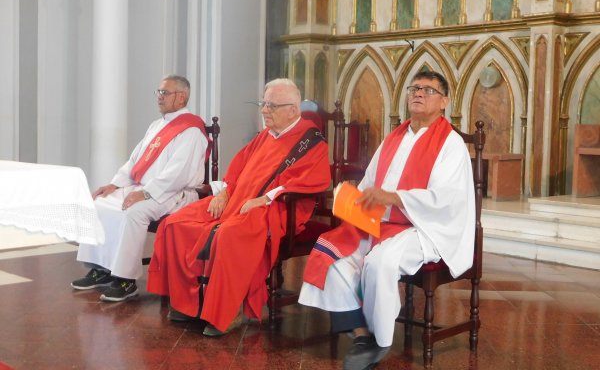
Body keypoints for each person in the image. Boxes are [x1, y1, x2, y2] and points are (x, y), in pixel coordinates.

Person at [298, 71, 475, 370]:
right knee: (333, 256)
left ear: (444, 102)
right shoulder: (395, 136)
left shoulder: (451, 144)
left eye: (428, 90)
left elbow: (446, 199)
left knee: (380, 262)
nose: (419, 94)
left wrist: (394, 198)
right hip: (381, 222)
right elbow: (370, 183)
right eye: (415, 88)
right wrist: (354, 199)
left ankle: (379, 343)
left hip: (426, 228)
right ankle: (361, 334)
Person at [146, 78, 331, 336]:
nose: (264, 110)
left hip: (276, 210)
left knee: (228, 234)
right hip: (236, 200)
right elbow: (237, 167)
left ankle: (228, 311)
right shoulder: (265, 136)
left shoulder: (311, 142)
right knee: (175, 223)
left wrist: (264, 200)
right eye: (263, 104)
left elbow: (313, 181)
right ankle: (188, 304)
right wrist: (224, 193)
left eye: (271, 106)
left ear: (292, 110)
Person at [72, 75, 210, 302]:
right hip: (143, 187)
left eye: (165, 93)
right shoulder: (157, 125)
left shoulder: (191, 131)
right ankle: (101, 268)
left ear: (181, 97)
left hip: (175, 193)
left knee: (134, 212)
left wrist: (145, 193)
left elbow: (179, 173)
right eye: (158, 92)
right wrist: (115, 184)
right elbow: (135, 159)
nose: (159, 97)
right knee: (100, 203)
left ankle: (126, 281)